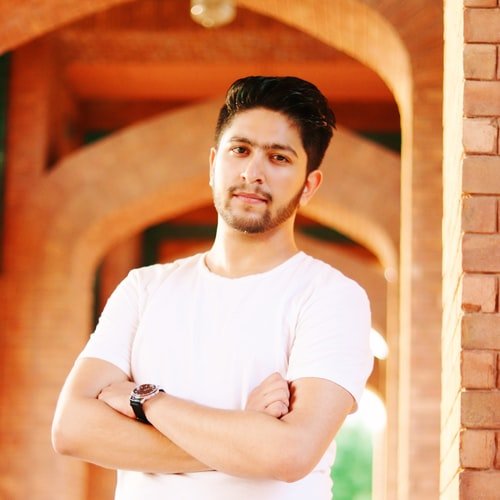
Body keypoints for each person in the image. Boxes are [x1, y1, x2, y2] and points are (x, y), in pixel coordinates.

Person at [52, 75, 373, 499]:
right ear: (212, 165)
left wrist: (148, 401)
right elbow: (72, 428)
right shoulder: (143, 289)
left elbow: (291, 453)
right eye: (240, 150)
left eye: (279, 158)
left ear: (309, 185)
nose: (252, 172)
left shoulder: (331, 297)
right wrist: (245, 435)